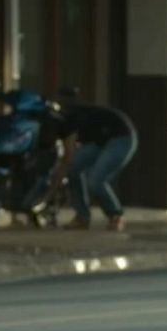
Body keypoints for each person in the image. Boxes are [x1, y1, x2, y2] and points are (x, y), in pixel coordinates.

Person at [54, 97, 136, 232]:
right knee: (74, 169)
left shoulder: (68, 122)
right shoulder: (65, 119)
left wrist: (56, 182)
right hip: (99, 140)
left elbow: (68, 157)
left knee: (96, 180)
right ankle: (82, 217)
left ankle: (115, 215)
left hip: (121, 137)